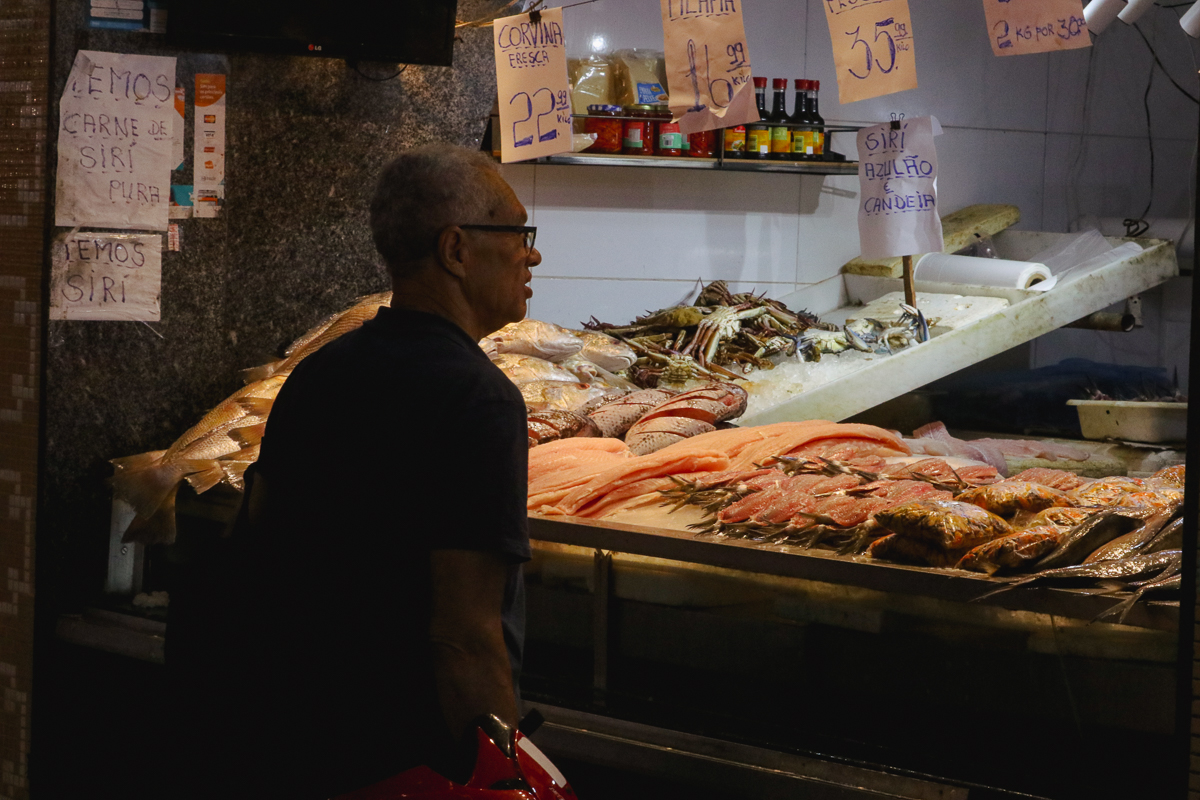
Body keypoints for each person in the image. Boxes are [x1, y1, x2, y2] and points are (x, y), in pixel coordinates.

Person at [167, 144, 541, 798]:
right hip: (409, 757)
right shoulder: (479, 399)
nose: (531, 254)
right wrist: (504, 778)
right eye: (517, 233)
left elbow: (262, 541)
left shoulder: (321, 373)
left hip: (300, 740)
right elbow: (465, 633)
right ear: (456, 250)